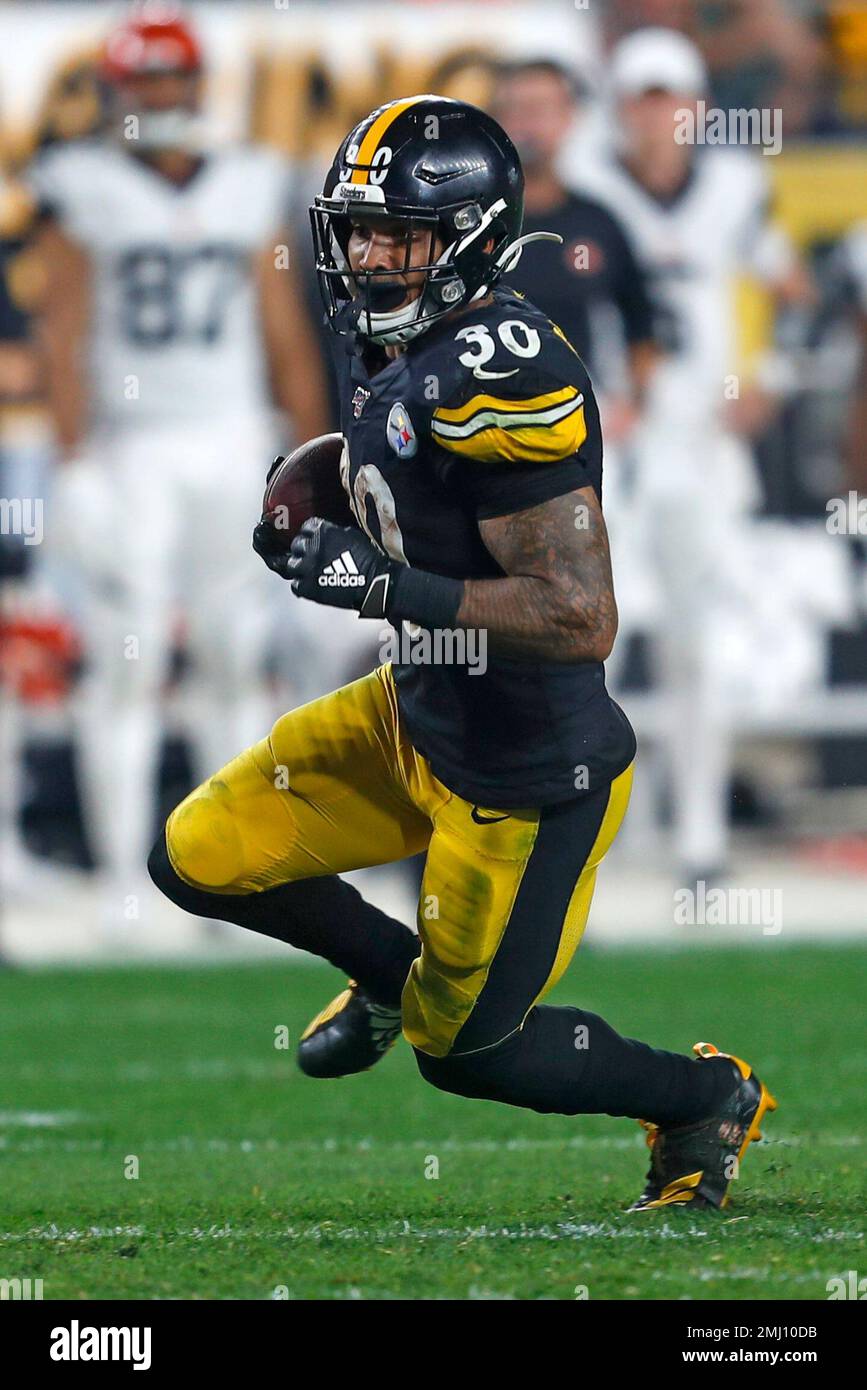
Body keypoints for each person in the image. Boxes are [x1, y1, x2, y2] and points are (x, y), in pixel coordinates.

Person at [149, 94, 777, 1212]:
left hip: (523, 777)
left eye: (401, 235)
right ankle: (391, 980)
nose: (371, 257)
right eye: (359, 228)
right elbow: (420, 479)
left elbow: (581, 616)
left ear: (474, 235)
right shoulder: (396, 339)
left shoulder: (507, 370)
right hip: (415, 712)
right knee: (198, 854)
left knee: (470, 1053)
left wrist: (391, 582)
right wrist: (341, 491)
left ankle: (702, 1095)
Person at [27, 8, 329, 926]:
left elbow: (281, 326)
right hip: (133, 450)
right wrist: (71, 458)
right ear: (116, 90)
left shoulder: (246, 182)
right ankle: (126, 872)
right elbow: (62, 328)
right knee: (129, 661)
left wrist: (316, 455)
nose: (157, 96)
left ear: (197, 85)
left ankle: (226, 872)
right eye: (141, 80)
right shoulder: (81, 185)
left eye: (170, 78)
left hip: (234, 439)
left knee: (237, 659)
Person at [568, 27, 813, 885]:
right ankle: (601, 836)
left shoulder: (733, 190)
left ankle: (699, 840)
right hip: (605, 447)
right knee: (593, 643)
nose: (657, 115)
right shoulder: (587, 188)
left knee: (698, 646)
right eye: (642, 97)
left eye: (669, 96)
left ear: (696, 106)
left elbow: (794, 292)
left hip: (700, 443)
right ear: (619, 106)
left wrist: (770, 378)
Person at [493, 58, 657, 448]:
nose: (527, 124)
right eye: (515, 110)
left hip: (575, 425)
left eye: (540, 109)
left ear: (570, 116)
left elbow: (641, 322)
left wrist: (633, 407)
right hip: (482, 422)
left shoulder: (598, 222)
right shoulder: (471, 224)